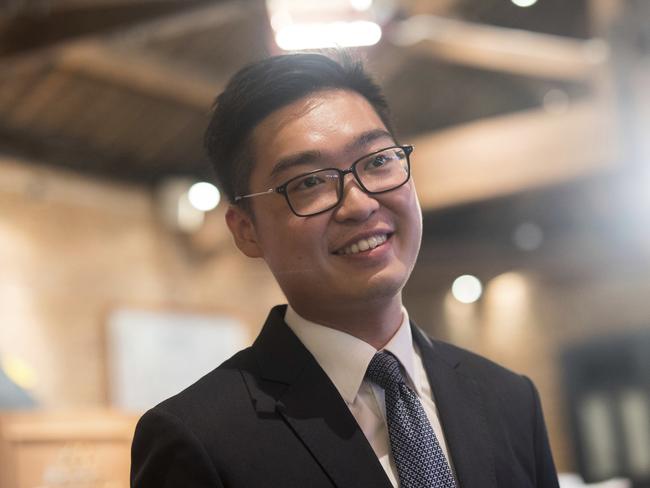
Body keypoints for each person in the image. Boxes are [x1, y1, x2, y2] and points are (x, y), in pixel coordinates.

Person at [131, 52, 560, 488]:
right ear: (246, 231)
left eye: (377, 161)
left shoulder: (508, 399)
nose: (359, 204)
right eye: (309, 182)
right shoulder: (199, 439)